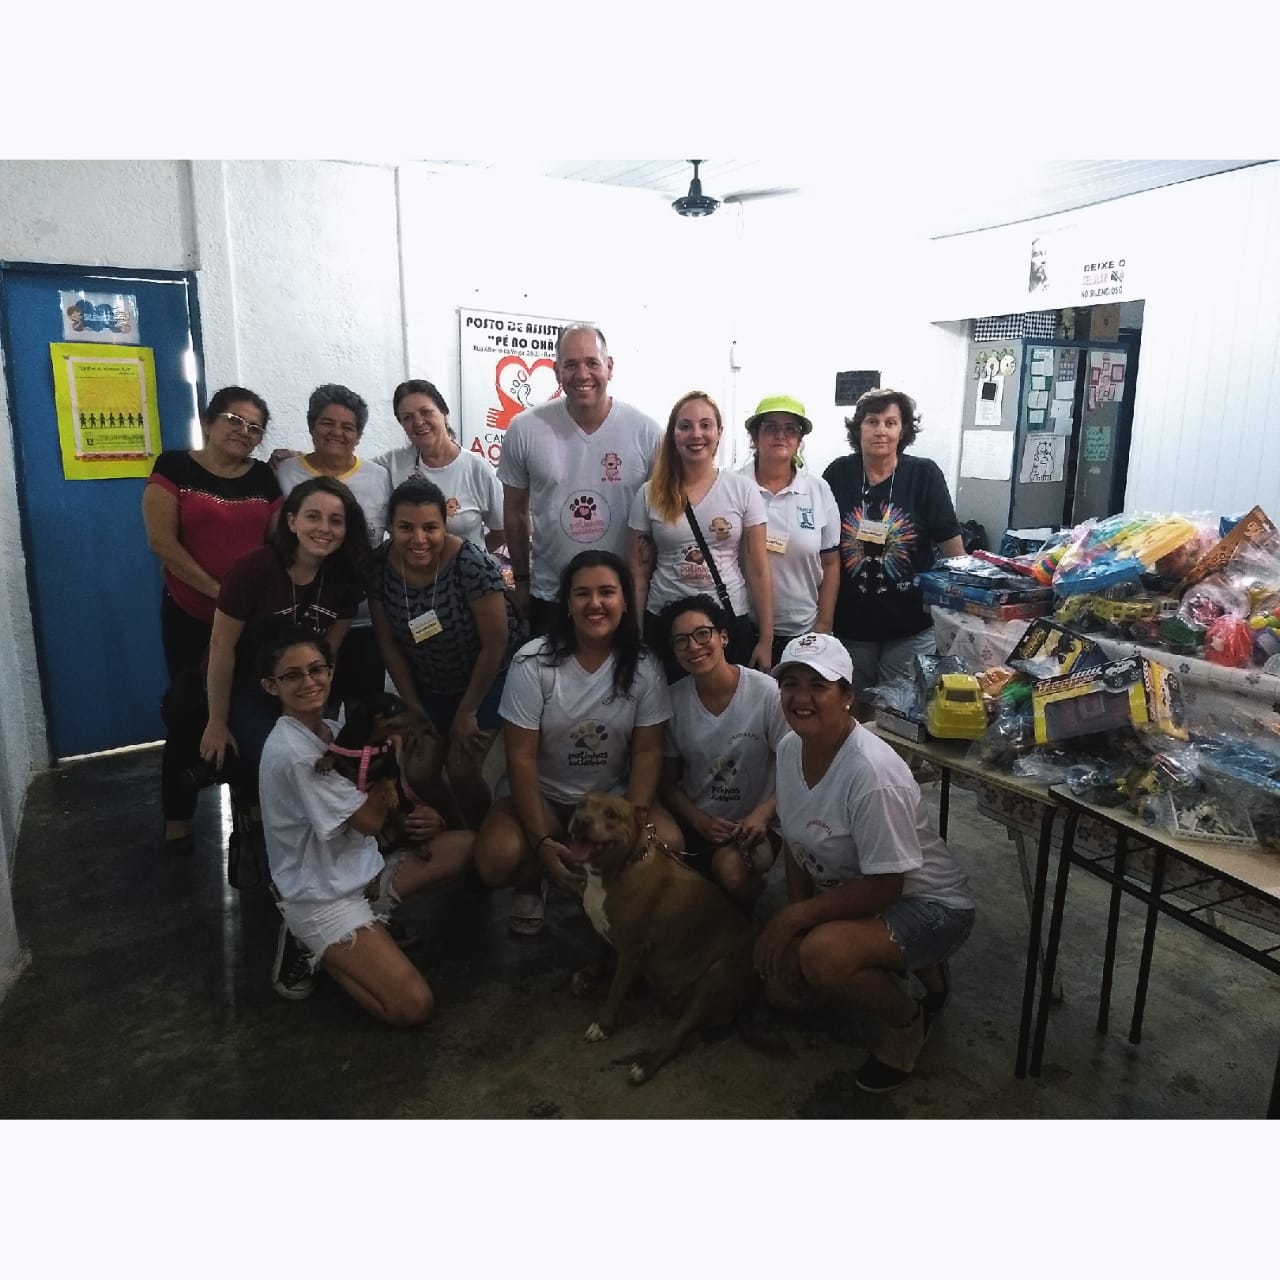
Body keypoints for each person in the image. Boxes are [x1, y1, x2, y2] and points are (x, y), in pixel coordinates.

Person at [754, 632, 975, 1092]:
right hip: (860, 893)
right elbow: (797, 844)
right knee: (785, 992)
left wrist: (798, 920)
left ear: (847, 697)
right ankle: (906, 965)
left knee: (823, 956)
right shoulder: (791, 748)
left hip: (930, 904)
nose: (801, 698)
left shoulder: (872, 773)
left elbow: (887, 886)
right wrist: (797, 924)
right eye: (791, 684)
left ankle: (907, 1022)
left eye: (819, 686)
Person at [257, 627, 474, 1019]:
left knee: (464, 844)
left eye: (316, 669)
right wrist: (391, 761)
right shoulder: (294, 753)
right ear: (271, 687)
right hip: (322, 895)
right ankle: (313, 943)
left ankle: (363, 930)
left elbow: (381, 810)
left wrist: (422, 818)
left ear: (330, 671)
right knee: (413, 1005)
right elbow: (371, 821)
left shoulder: (335, 732)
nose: (309, 681)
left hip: (362, 873)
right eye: (293, 675)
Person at [473, 549, 680, 936]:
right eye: (582, 594)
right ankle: (533, 879)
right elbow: (520, 758)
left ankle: (613, 885)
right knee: (496, 858)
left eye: (607, 592)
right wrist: (541, 843)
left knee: (669, 841)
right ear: (567, 603)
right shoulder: (532, 663)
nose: (595, 604)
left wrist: (629, 824)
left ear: (624, 601)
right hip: (544, 793)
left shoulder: (645, 666)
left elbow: (648, 750)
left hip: (610, 798)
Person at [142, 387, 282, 854]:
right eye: (234, 419)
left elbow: (280, 541)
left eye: (255, 427)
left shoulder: (264, 478)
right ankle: (178, 815)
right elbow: (162, 542)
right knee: (189, 710)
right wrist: (221, 594)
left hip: (252, 620)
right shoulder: (174, 467)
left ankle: (250, 810)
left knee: (245, 710)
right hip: (191, 614)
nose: (244, 431)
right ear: (208, 421)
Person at [200, 476, 370, 817]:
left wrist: (315, 714)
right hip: (248, 686)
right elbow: (221, 648)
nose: (324, 528)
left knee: (318, 759)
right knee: (278, 759)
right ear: (291, 521)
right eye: (313, 516)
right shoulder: (254, 569)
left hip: (303, 684)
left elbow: (328, 655)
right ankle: (270, 836)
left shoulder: (345, 579)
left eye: (336, 520)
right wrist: (216, 721)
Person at [366, 479, 523, 829]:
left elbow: (495, 644)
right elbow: (388, 644)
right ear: (391, 527)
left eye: (430, 527)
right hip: (431, 682)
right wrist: (413, 706)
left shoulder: (470, 563)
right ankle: (454, 829)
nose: (419, 539)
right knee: (419, 771)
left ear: (444, 525)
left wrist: (468, 711)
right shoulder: (378, 567)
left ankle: (481, 837)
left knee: (463, 769)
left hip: (488, 676)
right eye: (406, 527)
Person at [497, 325, 661, 638]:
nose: (582, 374)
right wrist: (521, 581)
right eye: (570, 365)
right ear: (557, 371)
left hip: (622, 598)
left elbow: (659, 522)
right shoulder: (525, 429)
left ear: (609, 367)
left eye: (592, 363)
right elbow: (515, 512)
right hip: (551, 594)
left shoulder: (646, 432)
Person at [822, 387, 964, 701]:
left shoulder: (923, 474)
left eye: (891, 423)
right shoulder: (838, 473)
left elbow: (951, 546)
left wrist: (966, 603)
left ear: (903, 431)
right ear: (858, 429)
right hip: (850, 626)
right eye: (872, 422)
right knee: (851, 711)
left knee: (898, 714)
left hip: (910, 625)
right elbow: (821, 548)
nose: (881, 431)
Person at [628, 390, 773, 678]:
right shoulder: (649, 494)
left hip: (727, 620)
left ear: (719, 433)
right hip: (665, 622)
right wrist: (638, 634)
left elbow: (758, 568)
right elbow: (639, 572)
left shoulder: (742, 490)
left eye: (705, 425)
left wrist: (766, 639)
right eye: (685, 426)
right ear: (673, 434)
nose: (696, 434)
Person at [657, 595, 788, 906]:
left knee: (731, 873)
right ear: (674, 652)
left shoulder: (766, 693)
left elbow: (797, 768)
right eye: (681, 641)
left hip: (757, 826)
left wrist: (761, 815)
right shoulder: (673, 702)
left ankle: (747, 918)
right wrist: (699, 820)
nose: (694, 646)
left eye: (703, 634)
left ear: (723, 637)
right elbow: (666, 782)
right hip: (700, 824)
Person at [276, 384, 391, 709]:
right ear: (312, 425)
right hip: (303, 616)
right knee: (309, 708)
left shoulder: (379, 477)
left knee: (361, 712)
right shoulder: (285, 473)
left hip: (362, 618)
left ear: (358, 435)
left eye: (348, 426)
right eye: (327, 422)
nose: (337, 432)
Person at [740, 394, 841, 666]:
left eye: (790, 430)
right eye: (770, 427)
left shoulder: (818, 491)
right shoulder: (734, 487)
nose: (780, 436)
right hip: (743, 627)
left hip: (803, 630)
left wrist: (824, 624)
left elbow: (830, 563)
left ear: (799, 440)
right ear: (754, 436)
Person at [379, 379, 505, 553]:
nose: (418, 422)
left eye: (426, 412)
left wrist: (470, 557)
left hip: (466, 577)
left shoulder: (477, 469)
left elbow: (502, 530)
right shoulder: (390, 465)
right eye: (407, 417)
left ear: (444, 412)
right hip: (411, 576)